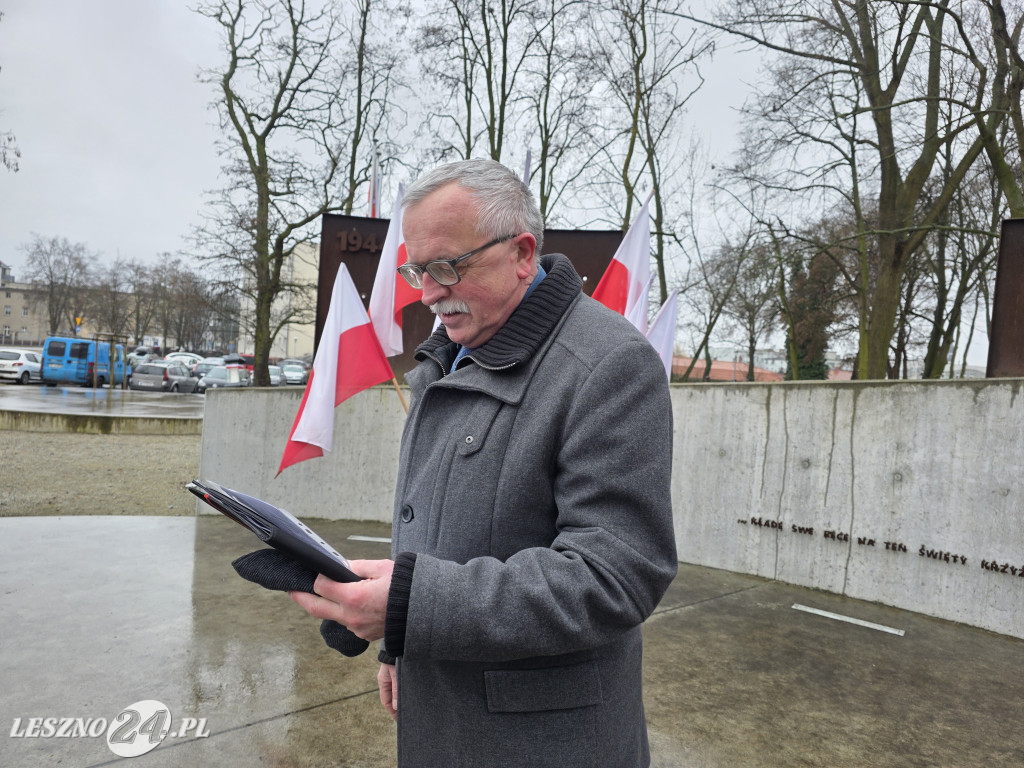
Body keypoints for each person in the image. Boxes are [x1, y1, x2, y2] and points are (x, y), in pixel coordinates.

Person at [289, 158, 677, 767]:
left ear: (522, 253)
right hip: (442, 713)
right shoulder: (445, 360)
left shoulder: (609, 365)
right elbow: (435, 535)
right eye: (417, 269)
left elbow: (616, 575)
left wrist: (409, 606)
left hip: (543, 743)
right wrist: (397, 641)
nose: (427, 293)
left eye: (446, 266)